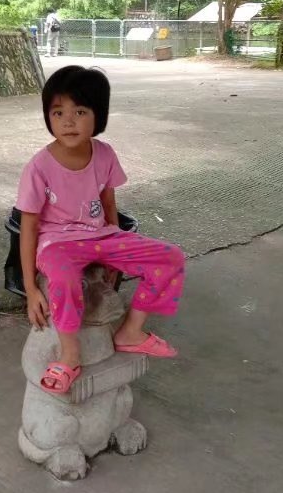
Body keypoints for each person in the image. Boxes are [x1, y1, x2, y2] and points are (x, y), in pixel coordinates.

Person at [16, 65, 186, 395]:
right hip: (57, 244)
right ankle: (70, 355)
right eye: (58, 111)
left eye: (80, 111)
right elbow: (29, 226)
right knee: (64, 280)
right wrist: (31, 288)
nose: (68, 121)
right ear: (48, 116)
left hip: (101, 236)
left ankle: (131, 332)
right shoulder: (39, 167)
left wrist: (114, 254)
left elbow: (110, 204)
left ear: (99, 115)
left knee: (171, 258)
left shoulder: (104, 154)